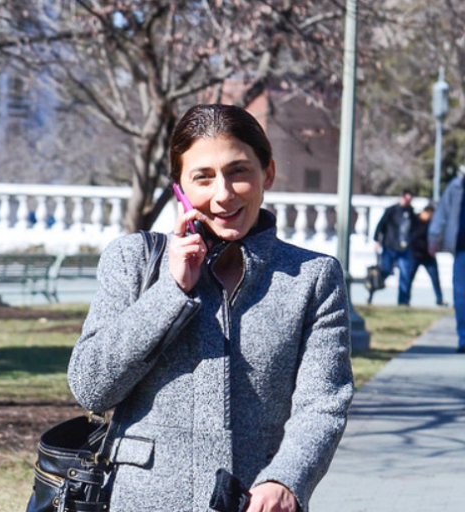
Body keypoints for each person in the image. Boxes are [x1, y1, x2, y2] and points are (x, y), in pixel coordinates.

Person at [67, 104, 354, 512]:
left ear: (267, 173)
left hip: (256, 502)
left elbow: (323, 403)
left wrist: (286, 479)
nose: (223, 194)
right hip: (141, 500)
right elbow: (91, 387)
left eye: (239, 171)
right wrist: (172, 290)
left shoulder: (313, 278)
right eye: (203, 177)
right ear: (179, 188)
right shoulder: (133, 260)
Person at [428, 165, 465, 353]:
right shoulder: (456, 187)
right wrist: (434, 238)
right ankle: (463, 338)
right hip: (461, 250)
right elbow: (441, 213)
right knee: (461, 296)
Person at [373, 188, 416, 305]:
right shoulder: (391, 211)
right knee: (385, 270)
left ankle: (403, 302)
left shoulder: (412, 213)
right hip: (390, 246)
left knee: (405, 275)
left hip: (405, 249)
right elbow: (381, 225)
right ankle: (372, 288)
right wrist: (376, 240)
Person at [408, 204, 446, 306]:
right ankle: (404, 300)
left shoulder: (432, 224)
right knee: (408, 279)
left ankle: (440, 299)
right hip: (415, 255)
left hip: (428, 256)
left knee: (435, 279)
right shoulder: (416, 221)